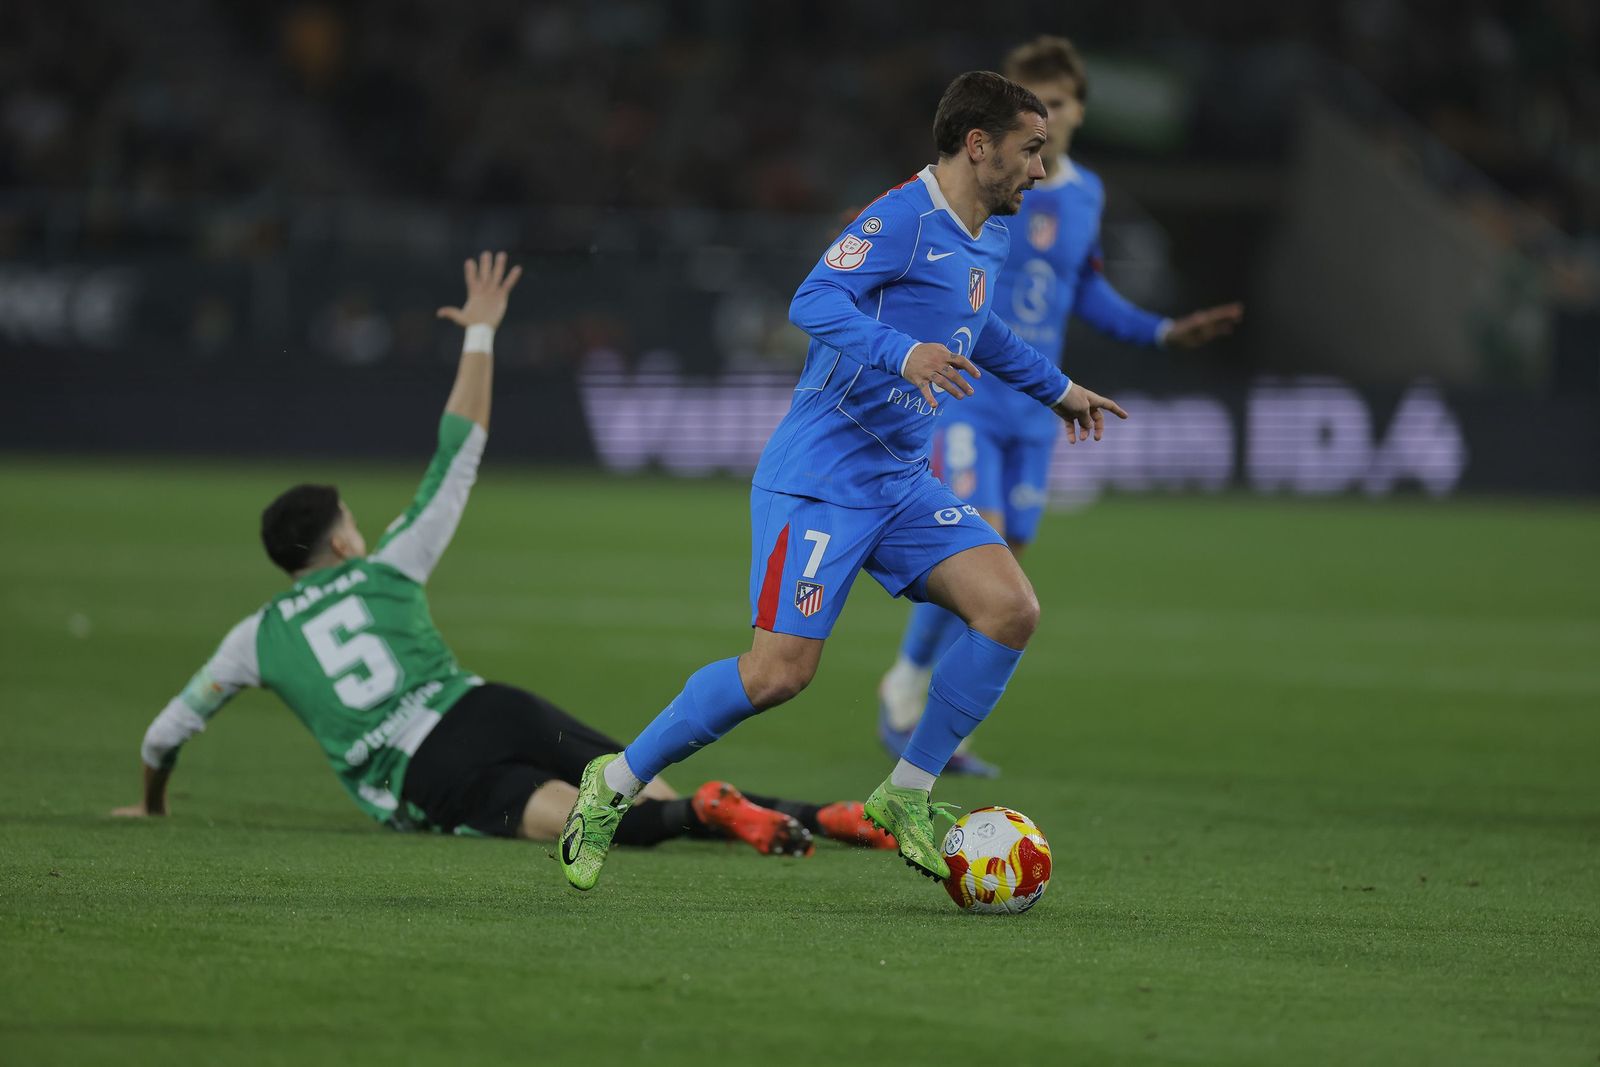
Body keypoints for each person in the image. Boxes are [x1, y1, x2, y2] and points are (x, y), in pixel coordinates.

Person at [112, 251, 894, 858]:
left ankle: (718, 811)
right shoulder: (386, 565)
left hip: (428, 773)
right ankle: (823, 814)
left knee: (612, 826)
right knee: (626, 786)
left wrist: (152, 800)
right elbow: (462, 443)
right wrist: (481, 331)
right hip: (489, 706)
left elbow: (163, 734)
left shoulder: (254, 636)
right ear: (342, 538)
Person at [558, 71, 1129, 892]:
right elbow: (812, 298)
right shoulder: (902, 217)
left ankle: (906, 794)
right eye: (1030, 150)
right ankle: (612, 784)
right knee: (777, 674)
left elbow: (980, 324)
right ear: (979, 145)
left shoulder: (991, 230)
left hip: (901, 480)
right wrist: (905, 353)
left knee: (1010, 608)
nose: (1041, 170)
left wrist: (1059, 389)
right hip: (821, 478)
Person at [878, 36, 1245, 777]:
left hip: (1035, 405)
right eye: (1034, 95)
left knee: (1006, 559)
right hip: (970, 393)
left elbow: (1086, 291)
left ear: (1079, 108)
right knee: (980, 536)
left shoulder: (1084, 194)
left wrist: (1163, 331)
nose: (1053, 111)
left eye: (1065, 98)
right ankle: (907, 686)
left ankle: (931, 716)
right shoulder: (987, 183)